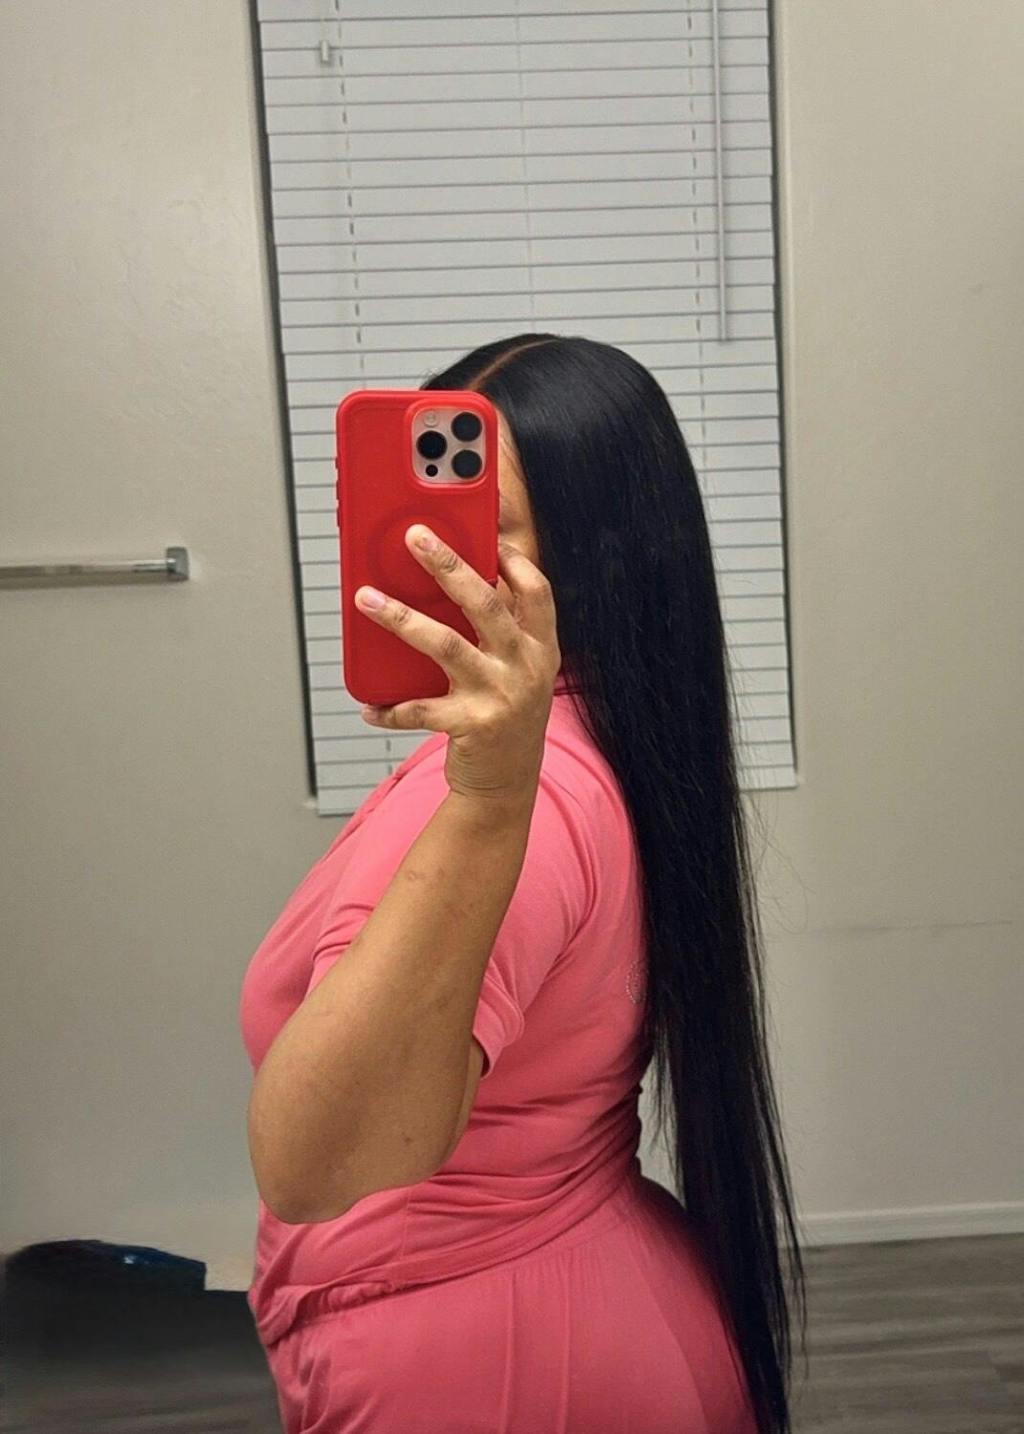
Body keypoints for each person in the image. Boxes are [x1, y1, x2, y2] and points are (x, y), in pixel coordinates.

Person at [238, 334, 807, 1433]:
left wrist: (492, 796)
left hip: (489, 1368)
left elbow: (313, 1164)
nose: (416, 552)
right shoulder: (584, 746)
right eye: (407, 511)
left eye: (467, 528)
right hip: (572, 1311)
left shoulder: (522, 798)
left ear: (591, 561)